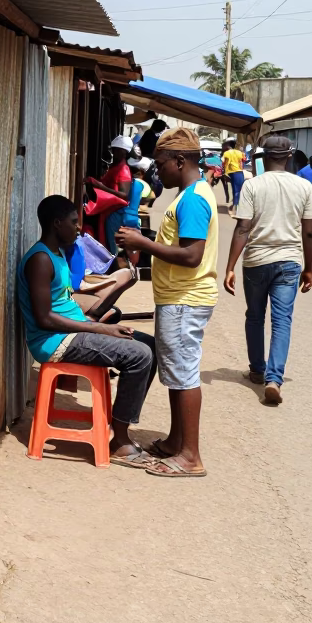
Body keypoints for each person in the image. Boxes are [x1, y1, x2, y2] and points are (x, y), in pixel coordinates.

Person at [18, 195, 156, 467]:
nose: (79, 228)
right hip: (54, 341)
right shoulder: (40, 259)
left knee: (150, 345)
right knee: (139, 355)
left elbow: (64, 302)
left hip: (73, 332)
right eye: (73, 222)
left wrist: (98, 324)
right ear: (57, 223)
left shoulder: (58, 253)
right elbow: (45, 319)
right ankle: (119, 442)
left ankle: (117, 424)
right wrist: (100, 328)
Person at [117, 127, 218, 478]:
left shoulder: (193, 199)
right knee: (176, 373)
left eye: (161, 164)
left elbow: (191, 255)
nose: (158, 171)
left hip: (184, 298)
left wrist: (143, 244)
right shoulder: (191, 194)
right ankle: (177, 442)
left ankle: (190, 457)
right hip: (178, 297)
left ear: (180, 160)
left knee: (184, 374)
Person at [224, 136, 312, 405]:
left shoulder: (252, 185)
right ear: (289, 157)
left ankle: (257, 370)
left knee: (255, 316)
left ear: (263, 157)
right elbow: (309, 232)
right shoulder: (303, 186)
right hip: (289, 262)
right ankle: (274, 379)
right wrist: (309, 269)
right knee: (282, 320)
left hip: (256, 261)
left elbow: (243, 228)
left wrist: (230, 267)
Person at [86, 134, 134, 252]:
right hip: (107, 210)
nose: (113, 153)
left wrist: (101, 186)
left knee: (111, 247)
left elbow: (124, 194)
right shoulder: (115, 166)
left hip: (115, 212)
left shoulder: (123, 169)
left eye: (116, 150)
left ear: (123, 152)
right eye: (113, 150)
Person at [222, 140, 246, 215]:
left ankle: (235, 208)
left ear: (229, 146)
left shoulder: (226, 153)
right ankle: (237, 206)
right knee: (239, 190)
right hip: (239, 172)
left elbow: (223, 162)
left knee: (234, 190)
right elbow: (244, 160)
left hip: (230, 173)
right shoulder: (240, 153)